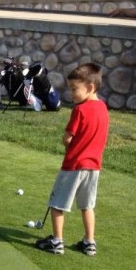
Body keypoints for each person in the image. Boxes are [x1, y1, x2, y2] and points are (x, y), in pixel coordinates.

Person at [35, 63, 109, 257]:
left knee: (58, 204)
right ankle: (89, 242)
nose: (71, 94)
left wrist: (69, 145)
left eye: (75, 89)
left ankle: (57, 241)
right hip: (94, 167)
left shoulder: (80, 110)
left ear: (90, 87)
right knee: (87, 205)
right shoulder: (103, 108)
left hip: (73, 165)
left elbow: (67, 138)